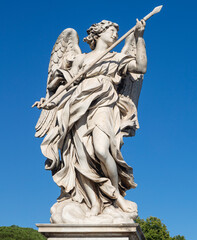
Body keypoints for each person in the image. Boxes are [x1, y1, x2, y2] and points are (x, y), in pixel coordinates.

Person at [33, 19, 147, 217]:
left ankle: (116, 197)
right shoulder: (81, 60)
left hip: (103, 102)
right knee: (80, 156)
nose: (114, 34)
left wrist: (139, 37)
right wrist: (50, 102)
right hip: (77, 105)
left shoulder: (116, 58)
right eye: (111, 30)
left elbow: (141, 67)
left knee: (102, 150)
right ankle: (94, 202)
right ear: (98, 34)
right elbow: (67, 86)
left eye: (115, 31)